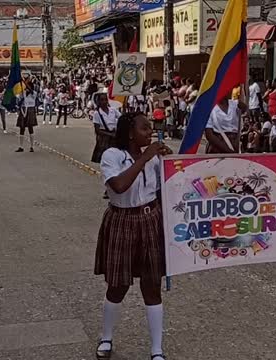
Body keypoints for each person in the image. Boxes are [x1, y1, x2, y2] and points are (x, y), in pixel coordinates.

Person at [94, 112, 172, 360]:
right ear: (130, 133)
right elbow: (118, 186)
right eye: (144, 128)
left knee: (152, 285)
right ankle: (106, 337)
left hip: (150, 219)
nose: (150, 132)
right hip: (122, 220)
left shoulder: (154, 158)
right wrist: (144, 158)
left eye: (150, 128)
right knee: (118, 285)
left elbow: (165, 189)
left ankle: (156, 349)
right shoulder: (112, 156)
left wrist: (170, 163)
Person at [90, 93, 120, 164]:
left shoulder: (113, 110)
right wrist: (110, 134)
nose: (104, 102)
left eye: (105, 99)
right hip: (104, 138)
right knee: (105, 158)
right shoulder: (97, 114)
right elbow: (97, 130)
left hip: (113, 135)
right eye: (102, 100)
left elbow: (121, 118)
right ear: (98, 102)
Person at [15, 83, 38, 153]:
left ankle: (32, 146)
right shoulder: (23, 93)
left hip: (31, 110)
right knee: (22, 128)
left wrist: (27, 87)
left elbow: (31, 92)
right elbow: (18, 99)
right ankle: (21, 146)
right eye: (26, 87)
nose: (27, 88)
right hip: (23, 110)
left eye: (28, 87)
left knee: (30, 128)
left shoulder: (34, 93)